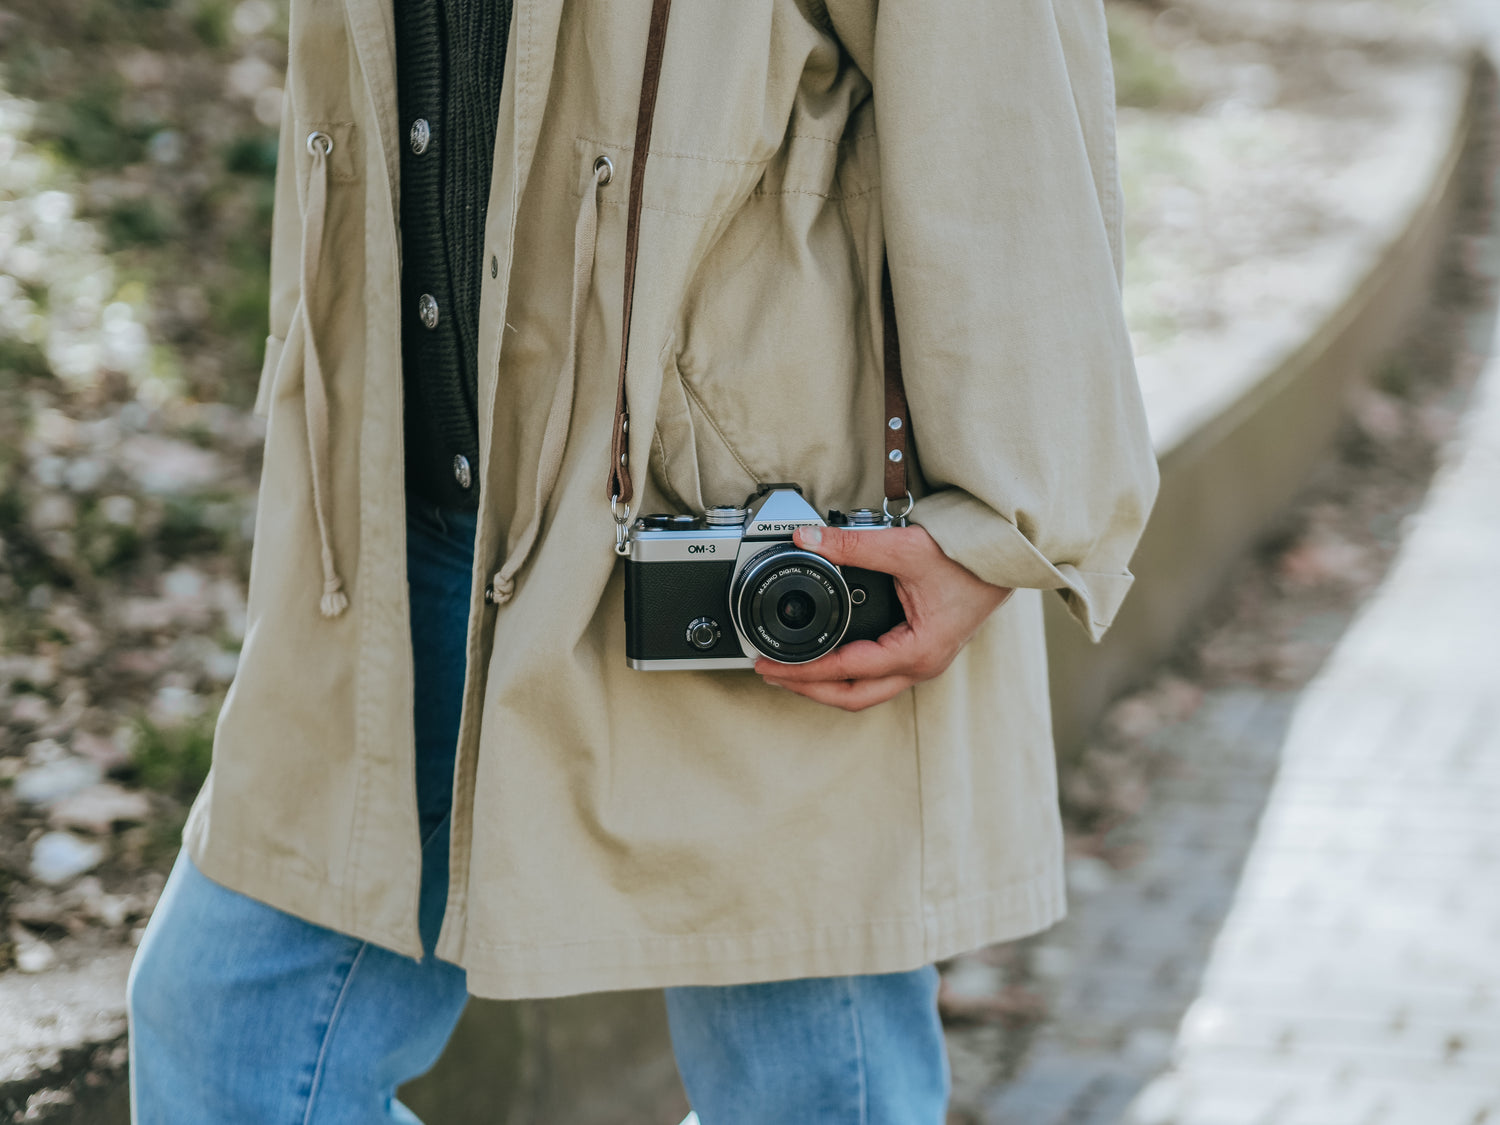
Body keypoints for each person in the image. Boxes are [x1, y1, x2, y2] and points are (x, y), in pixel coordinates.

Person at [127, 0, 1158, 1120]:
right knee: (228, 1043)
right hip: (402, 521)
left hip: (748, 527)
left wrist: (1002, 522)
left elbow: (996, 84)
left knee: (803, 1091)